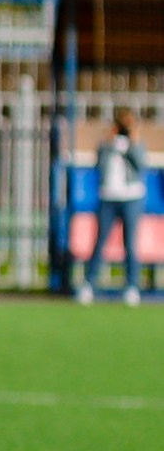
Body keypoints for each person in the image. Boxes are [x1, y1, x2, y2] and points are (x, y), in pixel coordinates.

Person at [80, 106, 144, 306]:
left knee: (131, 244)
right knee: (99, 242)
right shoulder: (106, 145)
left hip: (131, 198)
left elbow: (141, 165)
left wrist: (132, 144)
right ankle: (89, 284)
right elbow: (99, 166)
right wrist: (109, 142)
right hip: (108, 197)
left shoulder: (136, 144)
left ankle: (132, 286)